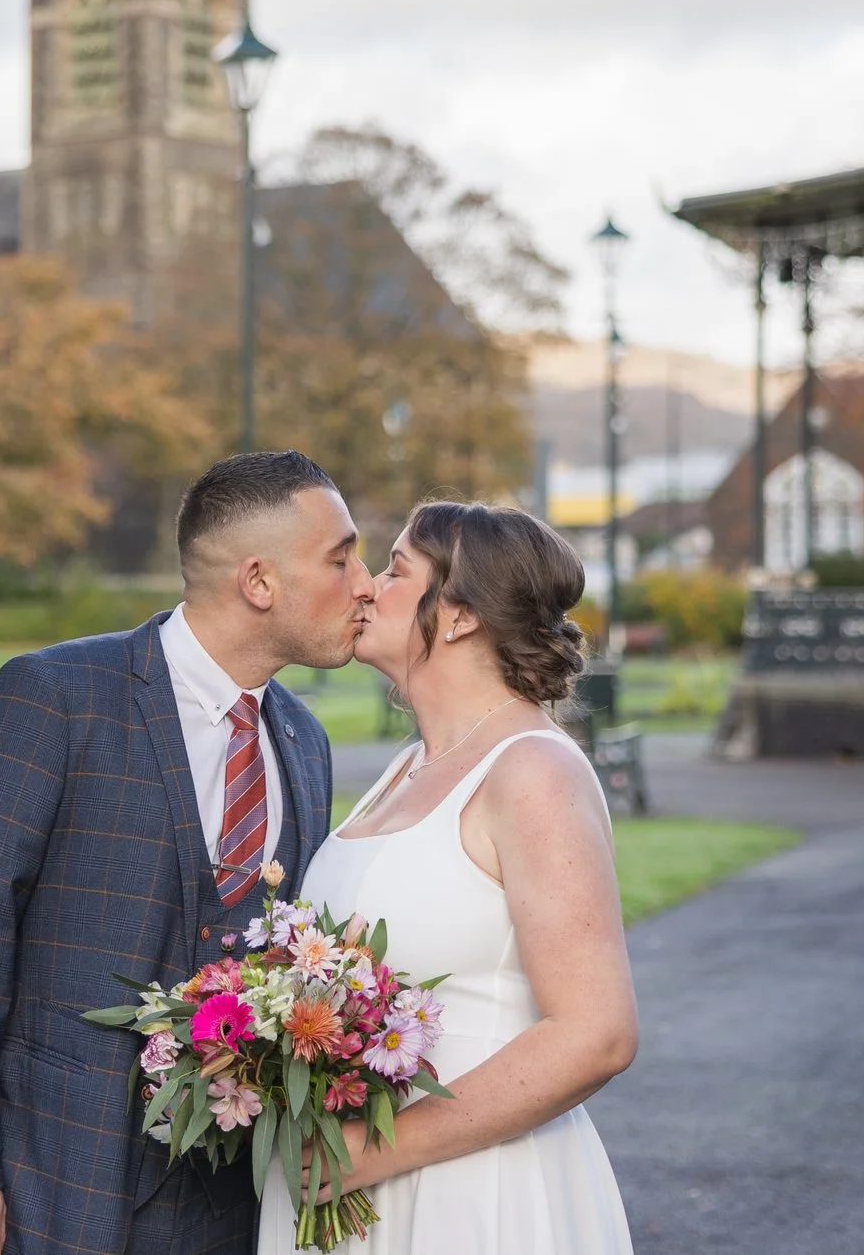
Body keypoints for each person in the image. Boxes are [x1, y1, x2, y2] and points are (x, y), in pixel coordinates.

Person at [0, 452, 375, 1255]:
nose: (365, 581)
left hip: (232, 1191)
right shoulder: (56, 695)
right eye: (341, 557)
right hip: (59, 1169)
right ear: (258, 580)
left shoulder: (304, 739)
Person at [256, 501, 637, 1255]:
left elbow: (597, 1033)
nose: (365, 586)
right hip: (355, 1182)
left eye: (396, 569)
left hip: (472, 1195)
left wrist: (380, 1149)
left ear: (459, 614)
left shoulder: (533, 771)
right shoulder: (410, 765)